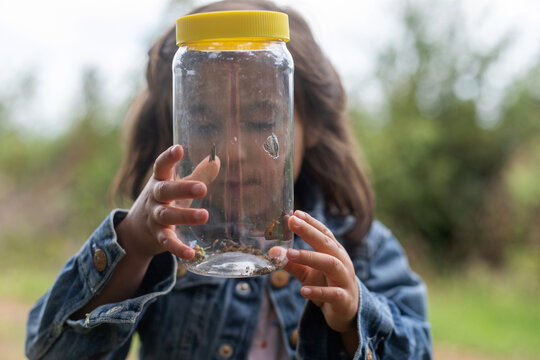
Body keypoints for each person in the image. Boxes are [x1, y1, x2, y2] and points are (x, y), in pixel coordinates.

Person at [25, 0, 432, 359]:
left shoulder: (364, 248)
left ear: (313, 124)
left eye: (260, 120)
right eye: (203, 122)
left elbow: (418, 348)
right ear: (174, 128)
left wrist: (352, 316)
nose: (233, 150)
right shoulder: (163, 248)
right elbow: (49, 350)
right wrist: (131, 242)